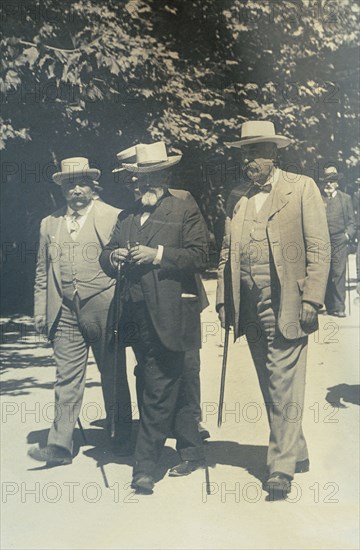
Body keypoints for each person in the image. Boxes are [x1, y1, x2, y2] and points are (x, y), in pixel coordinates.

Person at [216, 121, 330, 499]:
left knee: (283, 383)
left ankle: (279, 468)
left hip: (289, 302)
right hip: (248, 305)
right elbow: (225, 253)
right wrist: (222, 299)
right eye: (245, 153)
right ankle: (295, 450)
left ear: (274, 154)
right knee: (271, 384)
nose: (250, 160)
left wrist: (313, 298)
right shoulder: (237, 195)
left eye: (257, 152)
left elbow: (319, 247)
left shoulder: (301, 188)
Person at [101, 141, 208, 493]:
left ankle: (144, 466)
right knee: (151, 379)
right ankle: (190, 447)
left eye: (148, 178)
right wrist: (113, 257)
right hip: (132, 314)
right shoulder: (126, 216)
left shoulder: (183, 207)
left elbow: (199, 255)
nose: (140, 186)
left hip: (172, 311)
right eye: (135, 179)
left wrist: (157, 254)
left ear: (164, 176)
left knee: (164, 381)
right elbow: (105, 253)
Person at [28, 157, 132, 466]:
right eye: (69, 184)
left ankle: (121, 435)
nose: (76, 189)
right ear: (61, 188)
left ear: (93, 187)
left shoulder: (112, 216)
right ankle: (59, 445)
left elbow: (122, 264)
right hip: (64, 309)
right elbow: (42, 272)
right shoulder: (50, 223)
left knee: (112, 372)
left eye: (82, 183)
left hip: (104, 303)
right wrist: (40, 312)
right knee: (66, 377)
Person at [320, 165, 356, 317]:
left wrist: (347, 236)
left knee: (338, 273)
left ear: (337, 183)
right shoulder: (319, 198)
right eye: (326, 181)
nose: (328, 184)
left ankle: (339, 307)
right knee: (325, 272)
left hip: (339, 240)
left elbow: (351, 222)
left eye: (332, 181)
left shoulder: (345, 199)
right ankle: (329, 306)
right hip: (322, 241)